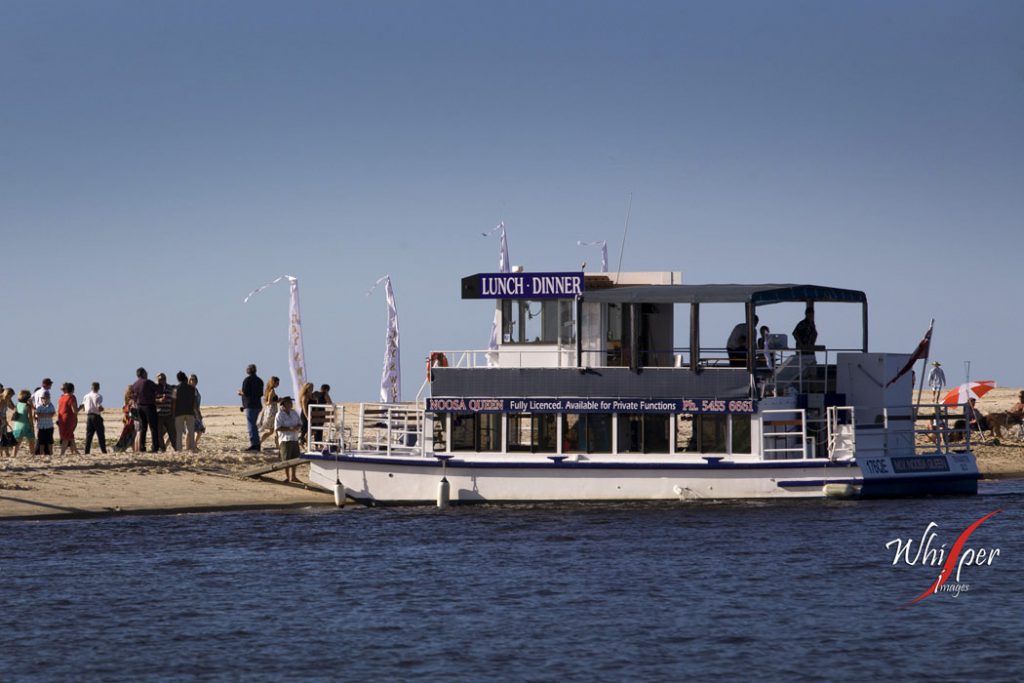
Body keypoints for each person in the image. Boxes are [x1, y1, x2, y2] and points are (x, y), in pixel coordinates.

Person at [274, 396, 302, 483]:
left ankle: (293, 476)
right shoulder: (279, 414)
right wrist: (290, 429)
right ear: (284, 403)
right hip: (285, 439)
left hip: (294, 438)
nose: (291, 403)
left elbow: (300, 423)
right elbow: (277, 428)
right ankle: (287, 477)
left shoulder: (294, 412)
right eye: (289, 402)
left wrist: (297, 427)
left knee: (295, 458)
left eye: (291, 402)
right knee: (286, 459)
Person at [132, 368, 159, 452]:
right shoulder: (147, 382)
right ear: (143, 373)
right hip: (149, 406)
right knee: (153, 427)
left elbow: (134, 396)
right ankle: (155, 447)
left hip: (139, 407)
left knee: (143, 428)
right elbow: (158, 389)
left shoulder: (135, 384)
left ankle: (142, 447)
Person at [239, 364, 264, 452]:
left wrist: (240, 393)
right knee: (253, 425)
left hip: (250, 405)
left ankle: (255, 444)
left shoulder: (247, 380)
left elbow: (245, 392)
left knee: (251, 425)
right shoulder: (260, 380)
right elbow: (261, 393)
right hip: (257, 405)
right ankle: (256, 444)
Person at [173, 371, 198, 453]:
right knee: (191, 431)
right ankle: (193, 447)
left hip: (179, 412)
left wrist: (173, 412)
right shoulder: (192, 388)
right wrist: (194, 411)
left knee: (179, 432)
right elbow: (194, 401)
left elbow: (174, 401)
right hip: (189, 411)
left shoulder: (175, 389)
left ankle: (179, 448)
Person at [154, 373, 178, 452]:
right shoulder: (154, 389)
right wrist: (159, 400)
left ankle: (176, 448)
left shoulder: (170, 388)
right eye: (160, 379)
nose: (162, 380)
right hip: (158, 415)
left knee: (172, 433)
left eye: (163, 378)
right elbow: (151, 400)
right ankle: (162, 448)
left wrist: (173, 413)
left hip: (169, 415)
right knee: (159, 434)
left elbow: (174, 400)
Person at [57, 382, 82, 456]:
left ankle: (75, 451)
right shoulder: (71, 397)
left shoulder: (61, 397)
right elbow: (75, 411)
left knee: (70, 435)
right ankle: (62, 453)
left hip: (61, 418)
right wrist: (81, 407)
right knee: (67, 437)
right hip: (69, 419)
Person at [82, 382, 106, 454]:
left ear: (91, 388)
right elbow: (98, 407)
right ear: (98, 388)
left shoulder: (86, 396)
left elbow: (83, 406)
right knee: (100, 434)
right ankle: (103, 450)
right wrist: (102, 409)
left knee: (89, 434)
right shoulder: (98, 396)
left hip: (89, 416)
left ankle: (87, 451)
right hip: (96, 416)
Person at [11, 390, 36, 457]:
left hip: (17, 426)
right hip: (26, 426)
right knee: (31, 442)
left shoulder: (17, 404)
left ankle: (14, 455)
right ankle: (32, 455)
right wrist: (32, 427)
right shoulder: (27, 406)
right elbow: (30, 417)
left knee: (16, 444)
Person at [258, 376, 281, 448]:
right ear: (274, 383)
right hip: (272, 411)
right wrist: (277, 401)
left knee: (272, 431)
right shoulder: (272, 391)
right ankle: (277, 445)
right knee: (275, 429)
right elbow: (269, 402)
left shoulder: (268, 390)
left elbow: (266, 402)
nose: (278, 384)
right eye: (277, 383)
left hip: (270, 410)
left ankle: (260, 442)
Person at [35, 391, 56, 455]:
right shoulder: (39, 407)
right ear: (41, 399)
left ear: (49, 398)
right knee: (41, 443)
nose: (45, 400)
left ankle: (51, 454)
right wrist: (46, 414)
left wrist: (42, 414)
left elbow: (52, 414)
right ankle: (41, 454)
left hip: (49, 427)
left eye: (47, 398)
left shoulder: (51, 406)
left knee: (50, 442)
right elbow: (37, 414)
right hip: (41, 427)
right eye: (43, 398)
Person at [190, 374, 205, 448]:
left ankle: (194, 445)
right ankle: (189, 446)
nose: (192, 381)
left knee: (200, 430)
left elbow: (197, 404)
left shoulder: (196, 390)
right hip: (190, 413)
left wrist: (199, 413)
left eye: (194, 380)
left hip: (196, 413)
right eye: (191, 379)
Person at [298, 382, 314, 448]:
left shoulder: (311, 395)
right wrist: (307, 416)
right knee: (304, 429)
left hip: (311, 414)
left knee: (310, 430)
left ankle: (304, 442)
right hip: (305, 415)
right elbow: (304, 408)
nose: (312, 389)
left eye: (312, 387)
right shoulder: (304, 397)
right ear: (307, 388)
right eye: (310, 387)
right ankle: (302, 442)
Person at [1, 387, 16, 456]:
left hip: (3, 420)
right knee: (2, 437)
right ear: (7, 394)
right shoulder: (1, 400)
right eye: (11, 396)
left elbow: (13, 407)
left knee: (4, 436)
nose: (11, 397)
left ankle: (6, 453)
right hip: (1, 420)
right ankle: (2, 453)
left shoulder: (7, 400)